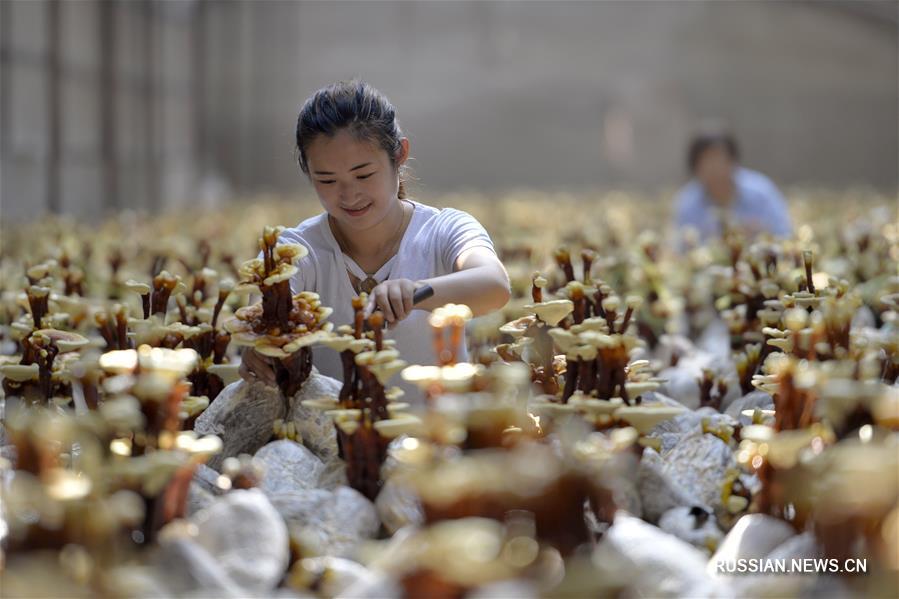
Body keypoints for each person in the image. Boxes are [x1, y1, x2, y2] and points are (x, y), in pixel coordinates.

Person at [239, 80, 511, 399]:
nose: (349, 194)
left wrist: (416, 292)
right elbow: (262, 310)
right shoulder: (296, 249)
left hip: (437, 440)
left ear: (400, 155)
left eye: (364, 175)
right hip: (328, 444)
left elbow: (495, 284)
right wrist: (259, 349)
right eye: (326, 180)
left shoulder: (445, 229)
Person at [673, 130, 792, 247]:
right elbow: (680, 248)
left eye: (719, 159)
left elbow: (785, 233)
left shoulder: (761, 193)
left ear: (733, 161)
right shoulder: (688, 202)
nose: (714, 169)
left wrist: (761, 234)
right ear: (695, 168)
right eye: (706, 162)